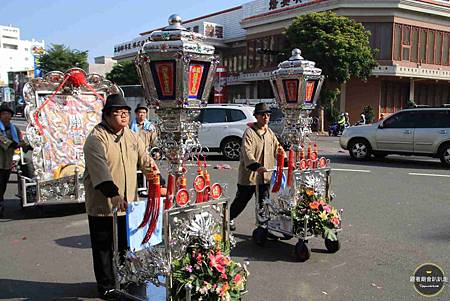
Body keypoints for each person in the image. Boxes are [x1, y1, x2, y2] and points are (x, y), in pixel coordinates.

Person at [83, 94, 161, 299]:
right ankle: (106, 285)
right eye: (118, 113)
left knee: (125, 245)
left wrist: (156, 180)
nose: (124, 117)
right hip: (104, 204)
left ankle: (125, 278)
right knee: (104, 247)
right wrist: (114, 195)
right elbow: (100, 171)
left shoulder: (131, 135)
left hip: (128, 204)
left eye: (126, 113)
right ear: (107, 116)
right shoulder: (96, 138)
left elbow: (145, 160)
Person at [229, 102, 283, 231]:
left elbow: (277, 148)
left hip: (265, 176)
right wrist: (255, 165)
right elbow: (247, 152)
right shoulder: (249, 133)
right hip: (250, 176)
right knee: (241, 201)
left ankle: (262, 225)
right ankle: (228, 218)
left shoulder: (270, 132)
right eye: (262, 115)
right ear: (256, 116)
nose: (265, 117)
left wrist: (283, 158)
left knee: (263, 202)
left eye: (268, 115)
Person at [0, 103, 26, 217]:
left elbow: (21, 140)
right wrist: (16, 144)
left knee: (3, 183)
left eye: (8, 114)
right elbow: (5, 142)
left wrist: (27, 144)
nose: (6, 116)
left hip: (7, 162)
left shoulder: (14, 128)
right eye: (4, 114)